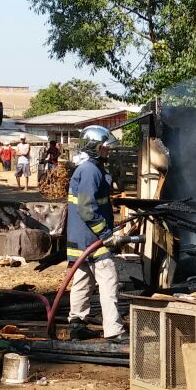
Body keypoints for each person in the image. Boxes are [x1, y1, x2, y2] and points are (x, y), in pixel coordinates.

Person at [66, 125, 123, 342]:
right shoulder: (90, 171)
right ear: (94, 147)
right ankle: (114, 331)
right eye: (104, 147)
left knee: (82, 281)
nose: (108, 150)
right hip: (93, 239)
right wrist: (106, 234)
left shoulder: (90, 169)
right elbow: (87, 208)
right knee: (109, 282)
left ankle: (77, 325)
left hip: (81, 239)